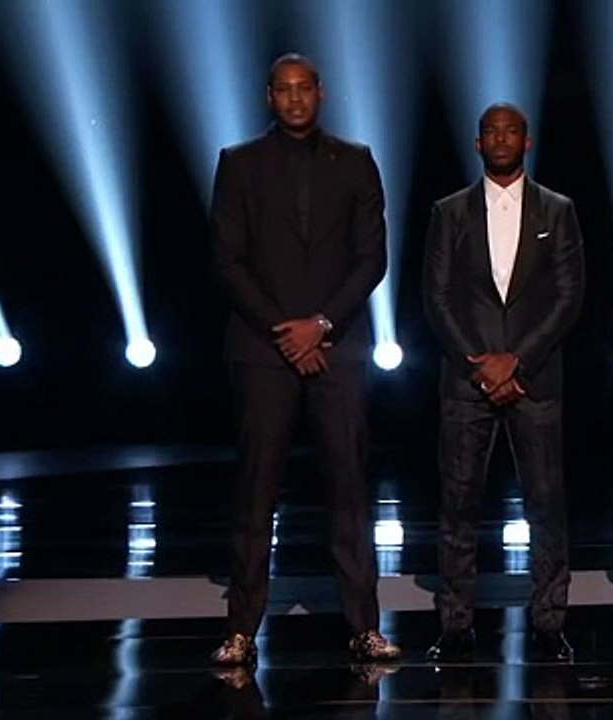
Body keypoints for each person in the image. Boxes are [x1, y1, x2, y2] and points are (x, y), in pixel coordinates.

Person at [209, 53, 398, 665]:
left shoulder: (356, 160)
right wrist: (285, 333)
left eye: (304, 89)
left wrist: (319, 327)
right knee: (255, 492)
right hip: (262, 351)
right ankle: (241, 630)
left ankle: (364, 626)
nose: (295, 99)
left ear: (321, 93)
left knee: (349, 489)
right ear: (269, 97)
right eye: (284, 90)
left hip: (337, 349)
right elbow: (228, 259)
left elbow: (371, 258)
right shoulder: (239, 163)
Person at [421, 103, 585, 662]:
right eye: (490, 130)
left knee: (546, 503)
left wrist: (517, 361)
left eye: (510, 130)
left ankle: (549, 623)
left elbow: (569, 296)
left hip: (534, 380)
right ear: (477, 143)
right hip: (466, 381)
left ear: (527, 141)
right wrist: (480, 364)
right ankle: (455, 625)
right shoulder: (449, 212)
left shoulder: (558, 210)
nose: (500, 138)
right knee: (458, 504)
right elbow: (436, 297)